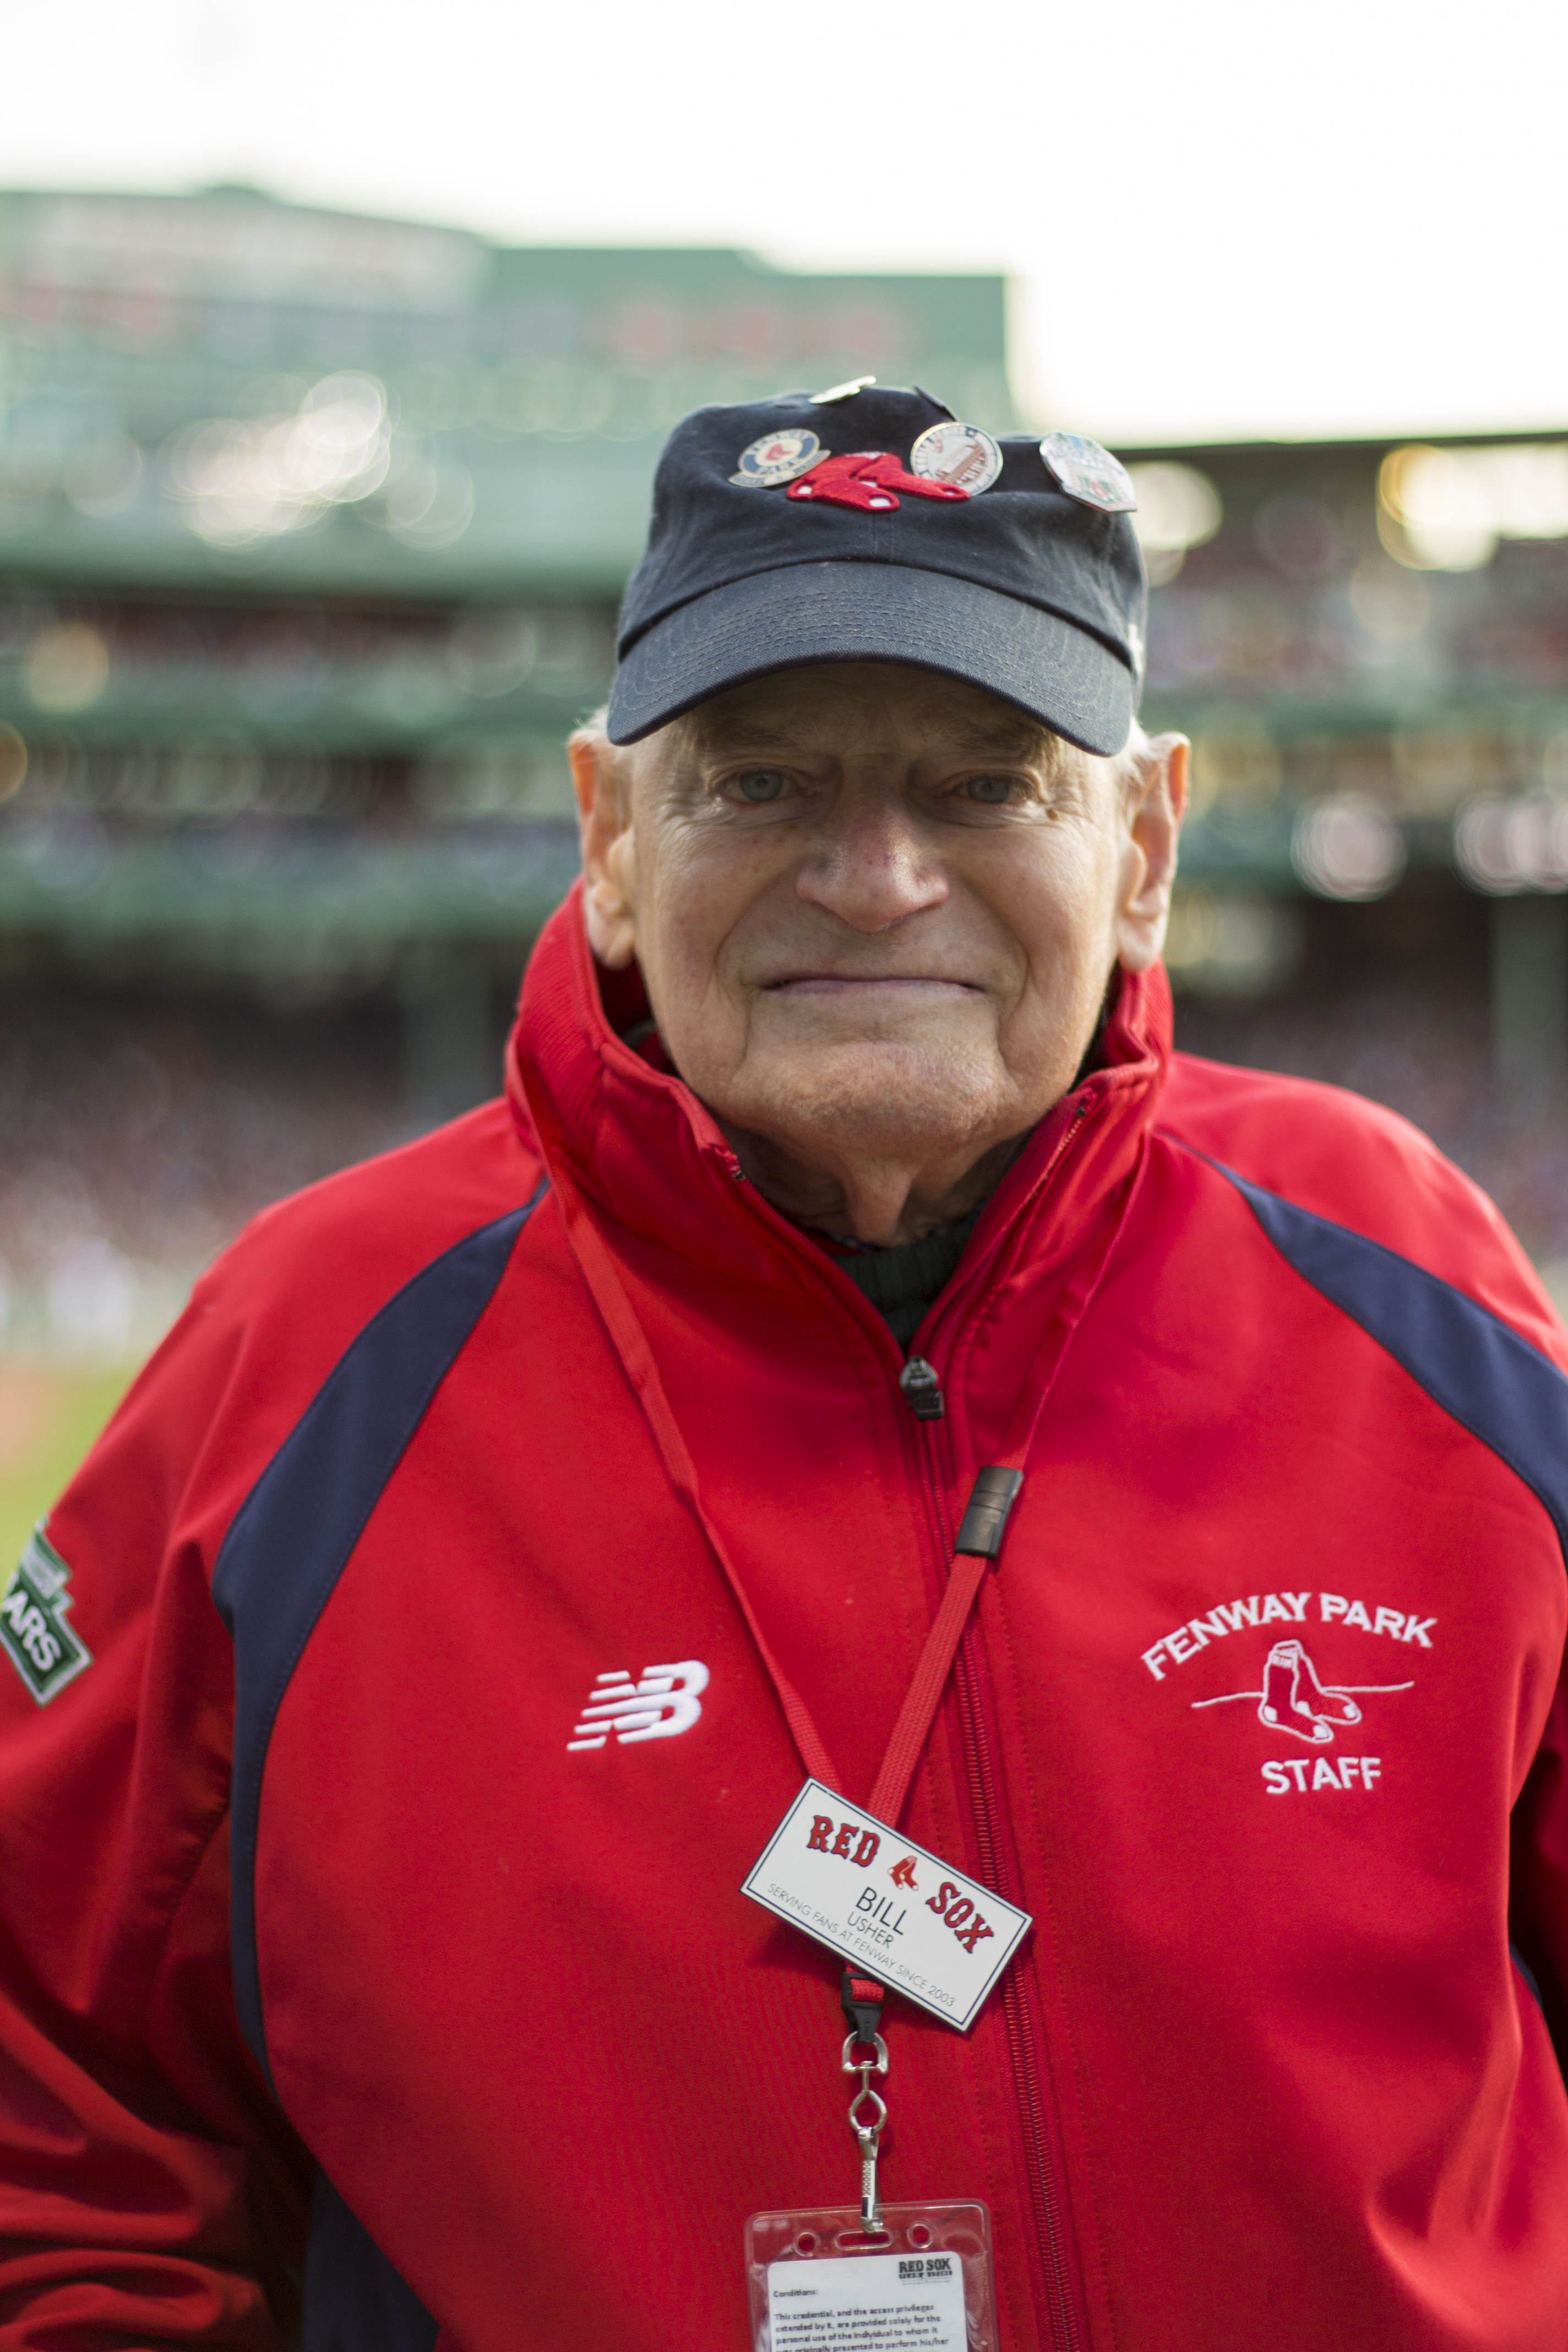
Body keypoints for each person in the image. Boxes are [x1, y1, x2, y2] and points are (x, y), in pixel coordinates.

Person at [3, 382, 1568, 2352]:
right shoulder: (307, 1357)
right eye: (760, 784)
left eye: (988, 785)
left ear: (1145, 844)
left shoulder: (1406, 1280)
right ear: (609, 836)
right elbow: (54, 2125)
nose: (877, 875)